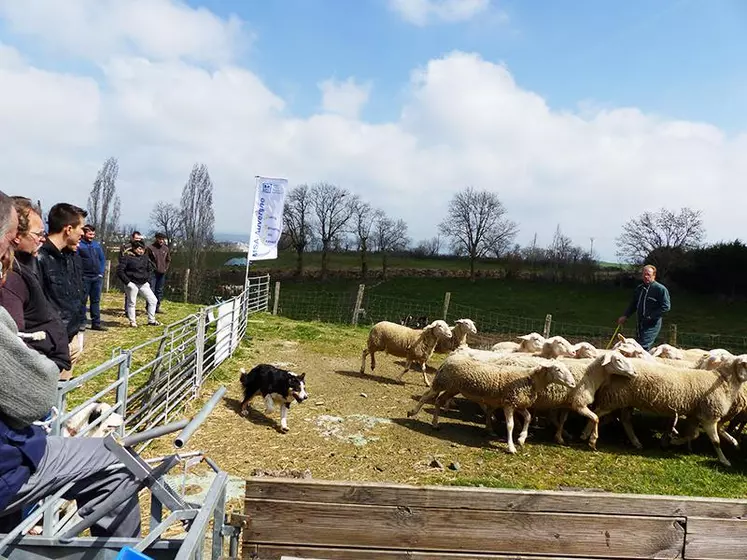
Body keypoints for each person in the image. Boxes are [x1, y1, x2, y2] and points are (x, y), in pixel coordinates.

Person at [0, 191, 141, 537]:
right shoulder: (29, 268)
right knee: (115, 465)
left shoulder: (61, 260)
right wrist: (44, 357)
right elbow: (35, 392)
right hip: (6, 463)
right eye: (8, 240)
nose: (10, 251)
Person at [0, 197, 71, 373]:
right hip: (38, 373)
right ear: (16, 234)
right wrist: (44, 370)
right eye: (38, 234)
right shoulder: (11, 279)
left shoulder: (26, 266)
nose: (42, 239)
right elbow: (13, 345)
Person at [36, 203, 87, 378]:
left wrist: (79, 330)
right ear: (68, 229)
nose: (83, 233)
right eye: (81, 228)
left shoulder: (72, 257)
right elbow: (38, 306)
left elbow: (78, 294)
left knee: (62, 394)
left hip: (69, 338)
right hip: (51, 344)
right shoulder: (39, 259)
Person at [617, 264, 671, 351]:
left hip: (652, 324)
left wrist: (651, 316)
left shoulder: (660, 289)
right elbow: (633, 304)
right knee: (638, 344)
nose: (646, 277)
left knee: (642, 347)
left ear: (654, 275)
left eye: (648, 275)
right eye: (644, 274)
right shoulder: (639, 289)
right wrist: (625, 316)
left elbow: (666, 307)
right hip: (640, 323)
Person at [117, 240, 159, 327]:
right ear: (134, 248)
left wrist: (148, 279)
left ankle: (151, 320)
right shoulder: (127, 257)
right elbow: (120, 271)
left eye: (142, 249)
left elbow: (150, 269)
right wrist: (128, 282)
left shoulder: (145, 258)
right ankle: (133, 321)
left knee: (153, 300)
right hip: (132, 283)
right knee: (132, 302)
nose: (141, 251)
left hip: (143, 283)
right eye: (139, 249)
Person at [78, 224, 107, 331]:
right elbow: (77, 260)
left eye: (93, 234)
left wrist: (101, 272)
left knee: (95, 301)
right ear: (84, 233)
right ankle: (82, 322)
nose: (92, 236)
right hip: (85, 277)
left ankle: (96, 323)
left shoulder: (96, 245)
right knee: (83, 301)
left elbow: (102, 259)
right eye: (90, 234)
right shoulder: (80, 245)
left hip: (96, 278)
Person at [147, 232, 171, 314]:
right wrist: (151, 268)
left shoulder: (166, 249)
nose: (161, 241)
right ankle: (149, 307)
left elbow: (168, 260)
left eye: (163, 239)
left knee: (159, 290)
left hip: (162, 272)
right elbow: (147, 260)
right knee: (151, 290)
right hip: (153, 273)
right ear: (156, 239)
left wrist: (165, 268)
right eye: (160, 239)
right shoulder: (150, 248)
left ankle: (157, 307)